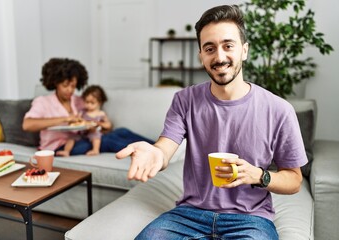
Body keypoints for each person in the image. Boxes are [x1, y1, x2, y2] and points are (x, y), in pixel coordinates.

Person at [116, 5, 307, 240]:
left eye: (228, 46)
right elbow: (166, 147)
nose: (219, 57)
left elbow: (295, 180)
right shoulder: (185, 100)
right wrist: (156, 154)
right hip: (190, 215)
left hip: (251, 219)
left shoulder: (279, 109)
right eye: (209, 48)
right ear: (201, 56)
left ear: (244, 50)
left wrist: (259, 175)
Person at [23, 57, 154, 156]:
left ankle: (159, 146)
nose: (70, 90)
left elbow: (90, 117)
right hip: (59, 147)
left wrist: (98, 125)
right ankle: (151, 152)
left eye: (73, 86)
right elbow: (27, 125)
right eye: (65, 86)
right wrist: (65, 119)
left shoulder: (79, 100)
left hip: (82, 138)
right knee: (107, 140)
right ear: (55, 83)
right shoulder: (43, 101)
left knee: (121, 131)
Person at [56, 85, 109, 156]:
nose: (89, 105)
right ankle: (66, 151)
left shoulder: (100, 113)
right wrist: (75, 119)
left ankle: (95, 150)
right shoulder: (83, 112)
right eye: (87, 102)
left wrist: (98, 123)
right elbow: (78, 120)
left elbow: (108, 125)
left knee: (96, 135)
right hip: (82, 133)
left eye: (92, 103)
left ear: (100, 102)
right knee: (72, 137)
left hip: (92, 132)